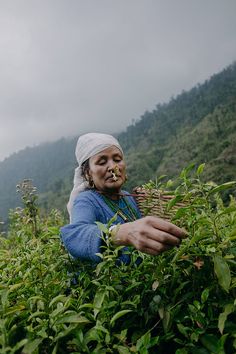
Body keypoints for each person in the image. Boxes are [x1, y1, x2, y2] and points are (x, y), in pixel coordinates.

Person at [60, 133, 186, 264]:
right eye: (102, 162)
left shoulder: (128, 198)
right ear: (88, 173)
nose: (113, 167)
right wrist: (121, 233)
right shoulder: (86, 200)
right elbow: (75, 235)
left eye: (117, 159)